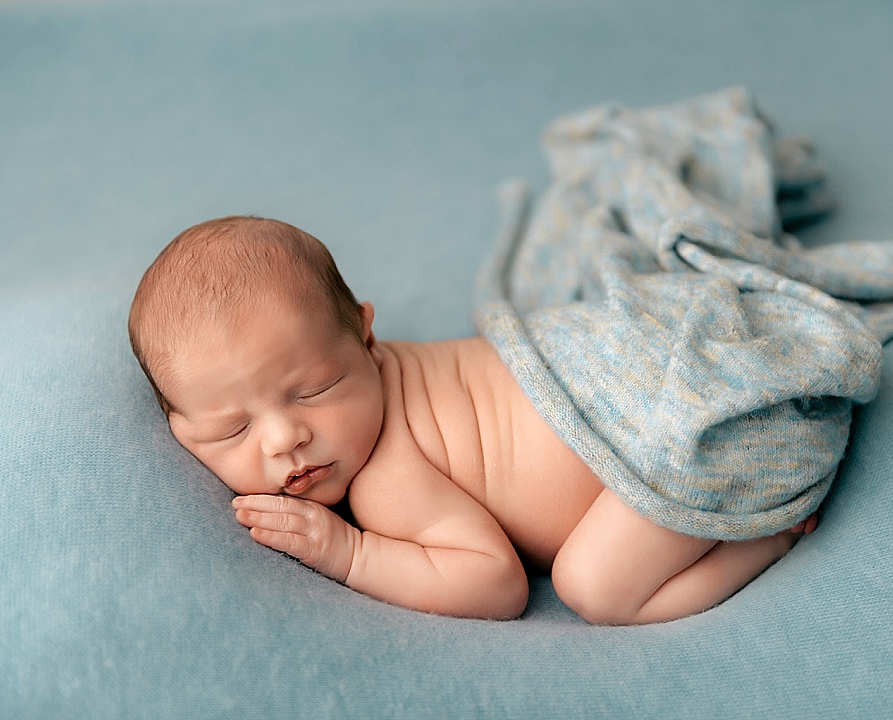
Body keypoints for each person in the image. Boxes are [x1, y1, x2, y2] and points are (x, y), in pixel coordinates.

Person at [128, 215, 816, 625]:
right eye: (231, 431)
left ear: (368, 340)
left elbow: (496, 584)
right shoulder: (381, 378)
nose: (284, 438)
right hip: (679, 369)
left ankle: (764, 539)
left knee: (597, 588)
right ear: (182, 432)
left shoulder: (385, 478)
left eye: (315, 389)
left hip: (688, 432)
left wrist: (350, 553)